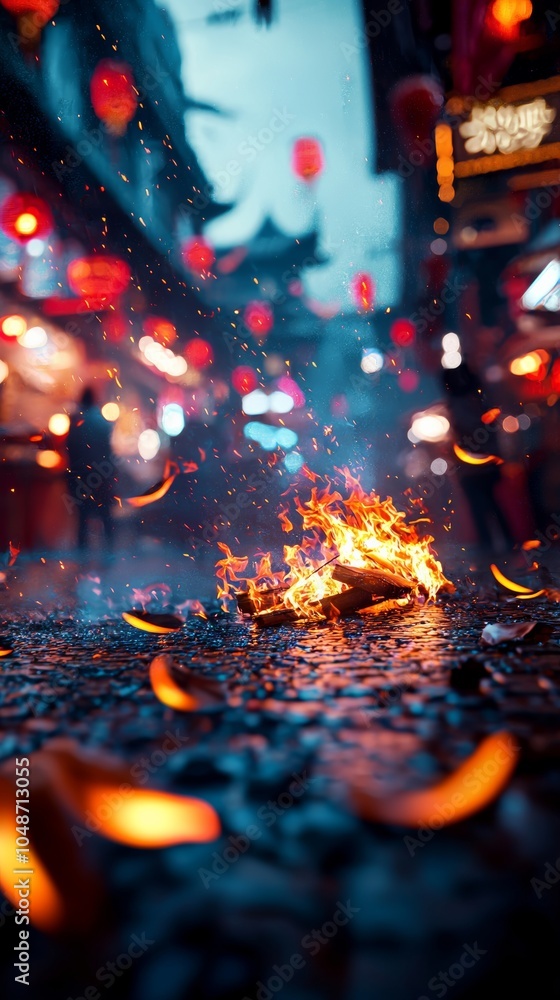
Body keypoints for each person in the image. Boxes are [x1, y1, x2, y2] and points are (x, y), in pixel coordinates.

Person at [442, 361, 514, 554]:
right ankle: (500, 549)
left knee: (484, 508)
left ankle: (495, 550)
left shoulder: (463, 403)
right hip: (480, 467)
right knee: (489, 506)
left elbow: (470, 429)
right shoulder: (479, 400)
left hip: (475, 469)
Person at [66, 386, 116, 552]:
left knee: (82, 515)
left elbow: (69, 447)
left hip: (80, 474)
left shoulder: (75, 420)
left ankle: (82, 552)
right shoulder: (102, 421)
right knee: (104, 513)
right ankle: (109, 550)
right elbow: (108, 449)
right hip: (101, 473)